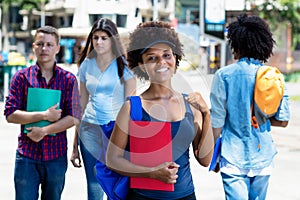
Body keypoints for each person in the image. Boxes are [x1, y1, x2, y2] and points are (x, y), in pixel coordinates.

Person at [106, 21, 214, 199]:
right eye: (152, 58)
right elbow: (112, 159)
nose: (161, 62)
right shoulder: (132, 107)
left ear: (175, 57)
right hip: (142, 196)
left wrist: (206, 114)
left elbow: (205, 160)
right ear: (141, 65)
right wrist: (152, 173)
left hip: (185, 195)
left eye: (166, 55)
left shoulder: (191, 105)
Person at [209, 14, 290, 200]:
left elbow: (217, 121)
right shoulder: (274, 76)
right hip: (263, 156)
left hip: (232, 156)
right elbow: (283, 121)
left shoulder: (224, 76)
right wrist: (259, 116)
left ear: (236, 45)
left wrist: (213, 155)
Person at [4, 26, 81, 200]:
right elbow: (10, 114)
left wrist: (44, 130)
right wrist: (44, 115)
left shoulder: (69, 80)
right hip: (27, 157)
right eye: (39, 44)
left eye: (49, 44)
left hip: (56, 156)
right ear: (33, 47)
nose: (44, 48)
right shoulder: (21, 77)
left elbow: (75, 115)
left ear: (57, 48)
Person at [70, 18, 136, 200]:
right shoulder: (85, 65)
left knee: (115, 185)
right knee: (94, 184)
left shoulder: (124, 66)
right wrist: (75, 143)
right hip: (89, 129)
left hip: (116, 130)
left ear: (112, 40)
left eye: (104, 38)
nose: (98, 42)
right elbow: (81, 105)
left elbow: (130, 106)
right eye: (95, 37)